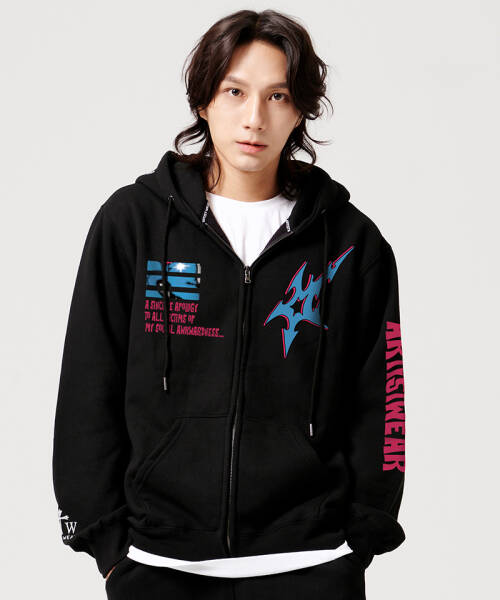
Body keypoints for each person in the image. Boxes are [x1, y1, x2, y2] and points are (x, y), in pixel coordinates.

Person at [52, 9, 406, 599]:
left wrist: (361, 537)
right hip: (158, 566)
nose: (254, 118)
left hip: (311, 565)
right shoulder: (132, 225)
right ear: (203, 100)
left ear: (300, 110)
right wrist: (107, 545)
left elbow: (383, 397)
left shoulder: (352, 244)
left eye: (278, 96)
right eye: (235, 92)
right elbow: (88, 384)